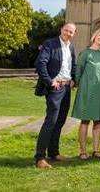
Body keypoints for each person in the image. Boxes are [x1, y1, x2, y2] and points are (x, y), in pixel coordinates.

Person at [34, 23, 77, 169]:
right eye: (66, 30)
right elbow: (40, 63)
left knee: (60, 120)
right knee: (51, 120)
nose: (68, 33)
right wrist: (49, 81)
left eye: (71, 32)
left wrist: (73, 80)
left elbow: (73, 65)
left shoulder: (70, 46)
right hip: (56, 87)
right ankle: (40, 157)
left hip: (66, 87)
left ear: (74, 34)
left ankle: (53, 153)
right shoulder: (50, 44)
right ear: (61, 30)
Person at [71, 28, 100, 160]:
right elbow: (78, 71)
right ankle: (82, 151)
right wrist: (77, 83)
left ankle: (96, 150)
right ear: (94, 37)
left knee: (98, 121)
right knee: (85, 121)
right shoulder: (85, 53)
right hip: (87, 90)